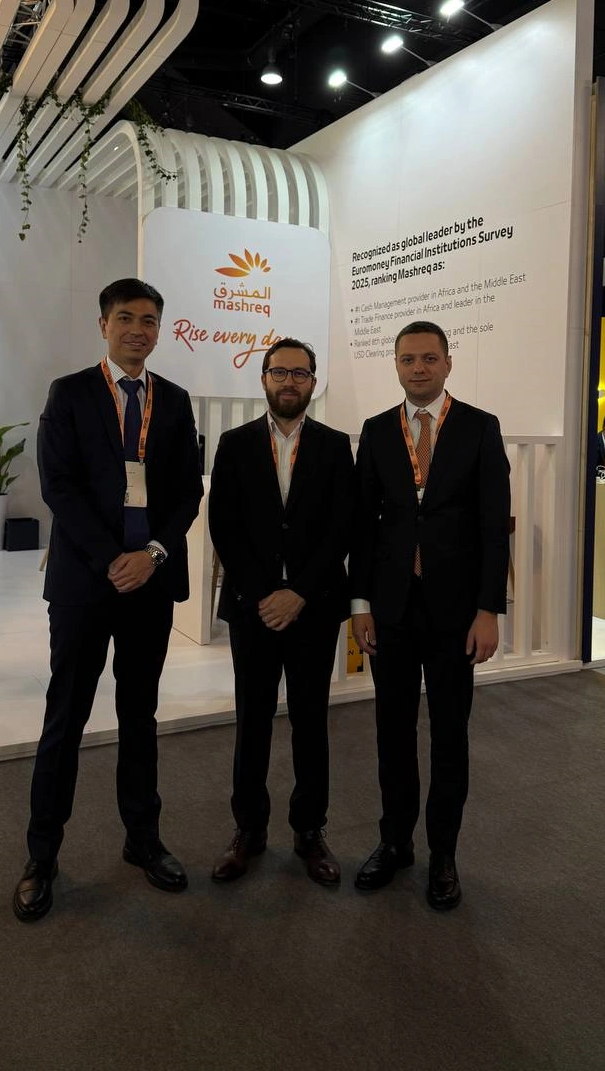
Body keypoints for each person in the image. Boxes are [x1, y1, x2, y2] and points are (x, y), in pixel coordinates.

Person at [13, 278, 203, 922]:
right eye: (126, 318)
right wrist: (110, 559)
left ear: (159, 329)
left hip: (150, 583)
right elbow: (59, 486)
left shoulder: (173, 400)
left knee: (139, 715)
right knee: (65, 716)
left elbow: (186, 492)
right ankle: (42, 855)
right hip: (85, 585)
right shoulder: (69, 393)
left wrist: (151, 556)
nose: (138, 330)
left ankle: (142, 839)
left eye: (149, 320)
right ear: (103, 325)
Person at [350, 321, 510, 911]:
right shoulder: (376, 430)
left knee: (449, 735)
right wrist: (360, 604)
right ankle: (394, 843)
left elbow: (493, 527)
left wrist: (488, 610)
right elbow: (362, 525)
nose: (418, 368)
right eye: (408, 359)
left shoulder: (479, 427)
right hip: (390, 610)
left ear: (447, 363)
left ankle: (444, 853)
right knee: (391, 733)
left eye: (428, 358)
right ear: (395, 365)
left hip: (455, 613)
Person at [208, 338, 353, 888]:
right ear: (263, 378)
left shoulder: (335, 446)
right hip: (253, 608)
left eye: (300, 373)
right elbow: (224, 523)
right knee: (252, 721)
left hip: (314, 609)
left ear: (314, 382)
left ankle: (310, 830)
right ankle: (248, 830)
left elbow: (343, 526)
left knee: (312, 722)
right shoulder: (235, 444)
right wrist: (264, 593)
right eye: (279, 372)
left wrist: (300, 593)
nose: (289, 381)